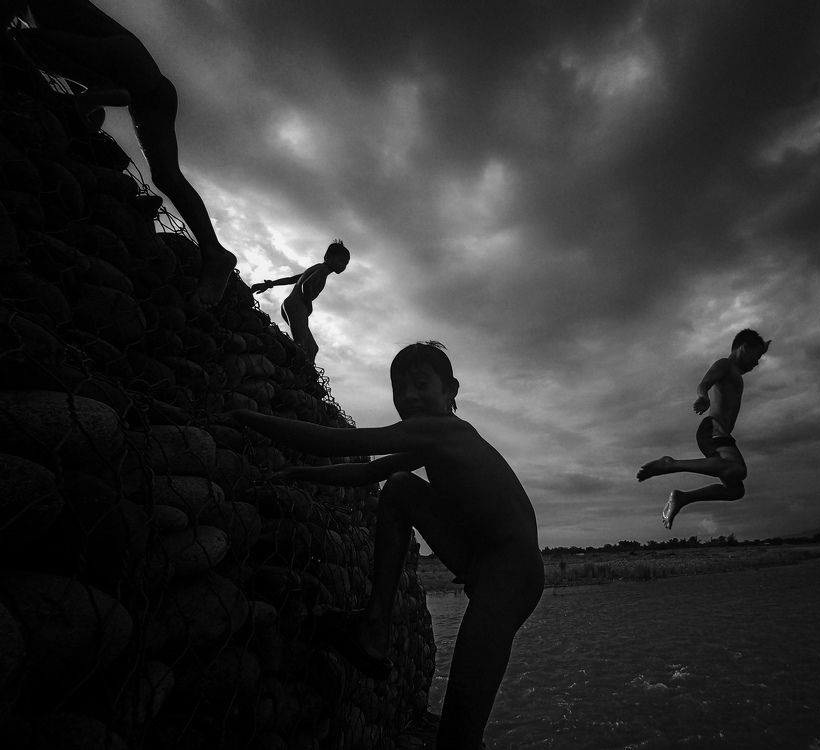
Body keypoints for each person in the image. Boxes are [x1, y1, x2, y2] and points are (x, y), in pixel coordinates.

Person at [229, 342, 544, 750]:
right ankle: (374, 627)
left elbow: (340, 442)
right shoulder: (428, 442)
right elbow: (369, 471)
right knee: (399, 488)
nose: (408, 395)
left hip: (511, 574)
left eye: (420, 384)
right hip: (481, 561)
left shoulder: (447, 430)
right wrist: (299, 472)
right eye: (399, 388)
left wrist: (245, 417)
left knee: (457, 734)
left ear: (451, 391)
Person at [11, 0, 237, 306]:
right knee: (166, 177)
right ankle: (214, 252)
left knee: (24, 42)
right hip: (148, 86)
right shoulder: (50, 20)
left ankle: (214, 253)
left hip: (137, 78)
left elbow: (111, 78)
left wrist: (86, 99)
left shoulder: (40, 20)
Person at [637, 328, 771, 530]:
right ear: (744, 348)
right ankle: (670, 464)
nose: (757, 362)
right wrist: (703, 397)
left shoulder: (735, 374)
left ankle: (682, 498)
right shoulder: (725, 365)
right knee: (737, 469)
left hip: (722, 434)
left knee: (735, 491)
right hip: (713, 430)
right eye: (757, 356)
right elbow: (704, 383)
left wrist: (763, 346)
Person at [250, 240, 350, 363]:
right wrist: (309, 306)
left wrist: (270, 284)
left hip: (291, 305)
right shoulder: (322, 269)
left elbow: (292, 279)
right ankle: (276, 340)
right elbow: (306, 286)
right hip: (297, 305)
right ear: (328, 257)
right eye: (341, 261)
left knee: (313, 348)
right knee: (300, 345)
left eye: (346, 263)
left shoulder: (317, 268)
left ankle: (307, 372)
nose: (343, 266)